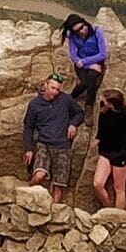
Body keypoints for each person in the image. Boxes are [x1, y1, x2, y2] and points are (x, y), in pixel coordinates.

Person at [21, 74, 84, 204]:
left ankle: (54, 212)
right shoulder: (34, 105)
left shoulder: (66, 99)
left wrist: (73, 124)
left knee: (58, 185)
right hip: (44, 144)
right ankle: (24, 196)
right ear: (45, 85)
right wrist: (28, 148)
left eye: (57, 89)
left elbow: (79, 113)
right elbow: (28, 127)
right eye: (52, 88)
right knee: (39, 176)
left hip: (63, 146)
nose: (55, 92)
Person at [92, 89, 126, 211]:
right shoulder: (104, 109)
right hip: (106, 151)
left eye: (104, 99)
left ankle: (118, 217)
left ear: (111, 103)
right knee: (97, 183)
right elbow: (101, 124)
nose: (101, 100)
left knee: (119, 188)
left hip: (121, 154)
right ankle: (108, 209)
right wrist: (98, 137)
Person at [61, 14, 109, 117]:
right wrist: (87, 65)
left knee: (91, 78)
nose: (81, 31)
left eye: (82, 27)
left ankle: (89, 106)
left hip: (95, 61)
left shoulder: (97, 31)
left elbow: (103, 54)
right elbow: (74, 56)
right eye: (77, 31)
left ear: (84, 23)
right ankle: (69, 99)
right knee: (84, 83)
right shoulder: (73, 37)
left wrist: (85, 62)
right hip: (82, 64)